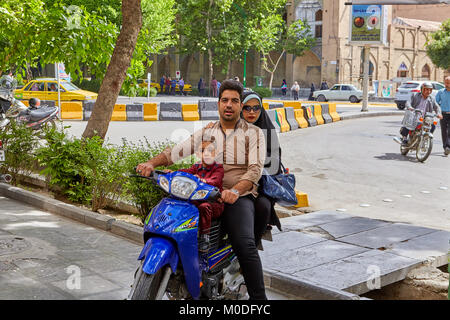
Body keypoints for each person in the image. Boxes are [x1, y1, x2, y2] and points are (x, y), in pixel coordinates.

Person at [136, 79, 268, 300]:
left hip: (236, 196)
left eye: (234, 101)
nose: (229, 105)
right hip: (202, 191)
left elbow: (255, 170)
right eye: (224, 100)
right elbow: (176, 152)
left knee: (245, 245)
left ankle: (259, 300)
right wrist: (151, 164)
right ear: (218, 104)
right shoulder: (207, 132)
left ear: (239, 106)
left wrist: (234, 191)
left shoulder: (254, 133)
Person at [164, 140, 224, 252]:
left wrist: (202, 180)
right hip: (198, 199)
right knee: (181, 203)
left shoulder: (218, 168)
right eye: (202, 150)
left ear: (216, 153)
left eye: (210, 150)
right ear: (197, 154)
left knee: (204, 207)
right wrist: (172, 173)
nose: (206, 153)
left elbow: (215, 180)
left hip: (214, 203)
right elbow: (186, 172)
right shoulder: (197, 166)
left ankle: (204, 237)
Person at [240, 91, 282, 247]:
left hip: (262, 185)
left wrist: (256, 165)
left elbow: (275, 160)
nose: (252, 112)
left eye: (256, 108)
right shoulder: (232, 128)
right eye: (247, 108)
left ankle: (253, 245)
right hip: (235, 182)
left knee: (263, 207)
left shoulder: (267, 131)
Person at [436, 76, 450, 156]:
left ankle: (448, 146)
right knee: (444, 131)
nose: (446, 84)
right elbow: (436, 102)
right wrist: (438, 112)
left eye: (448, 83)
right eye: (445, 82)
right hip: (443, 114)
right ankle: (445, 147)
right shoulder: (441, 92)